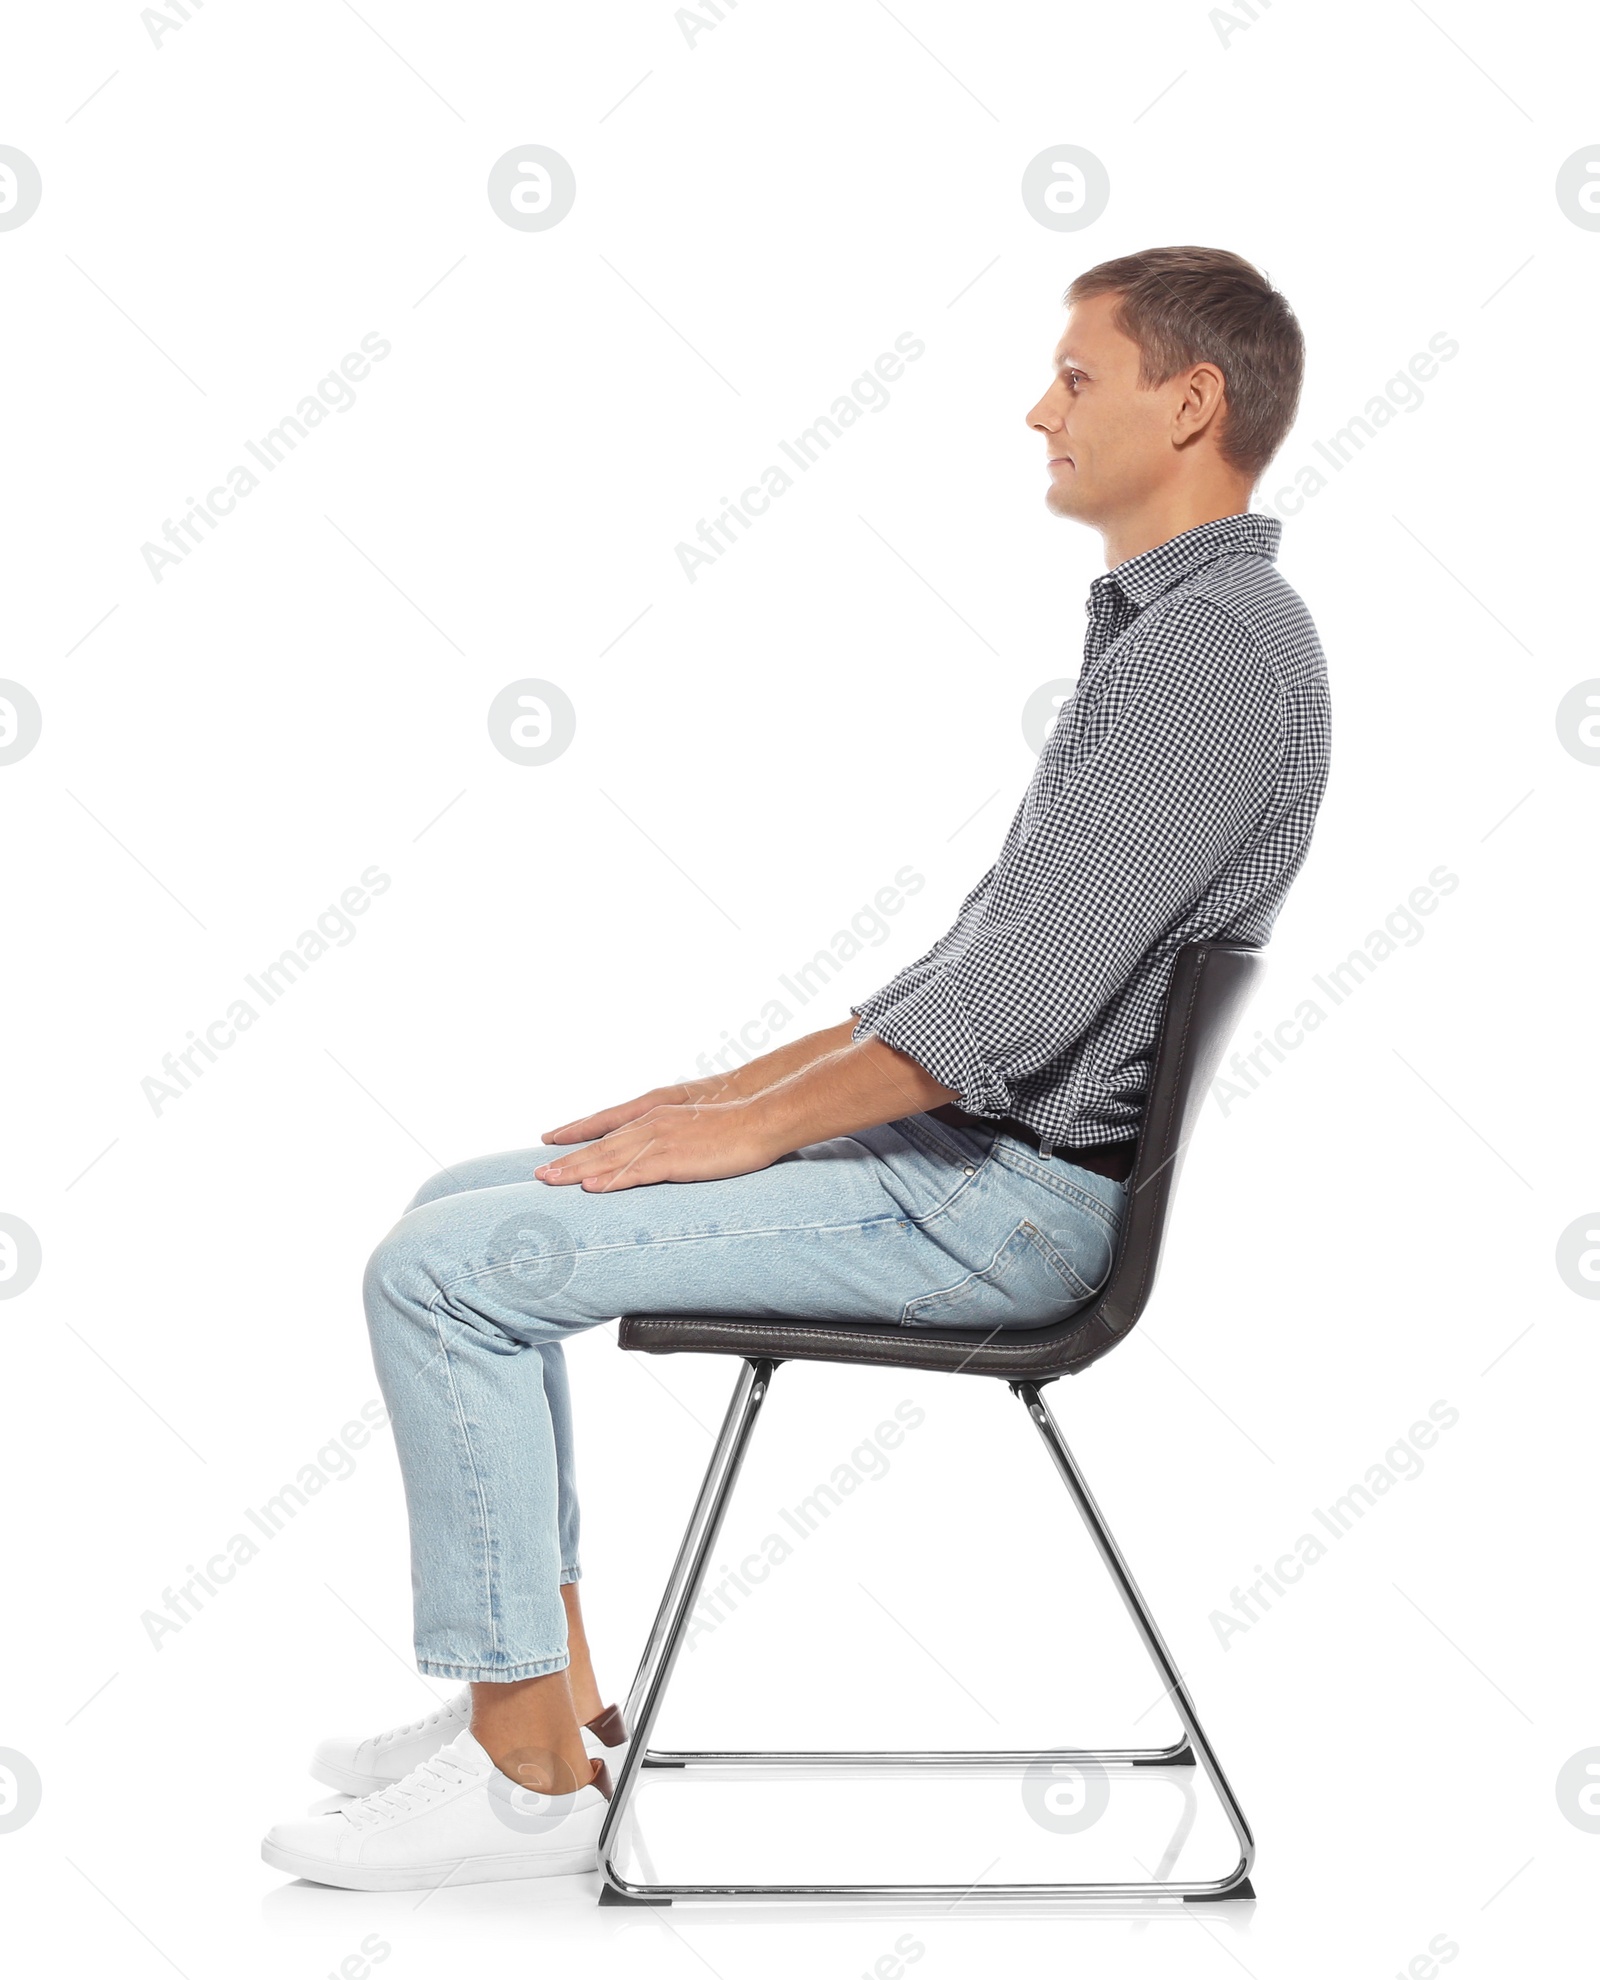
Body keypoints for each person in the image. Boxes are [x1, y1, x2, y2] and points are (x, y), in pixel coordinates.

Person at [262, 244, 1331, 1891]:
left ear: (1191, 405)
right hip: (977, 1170)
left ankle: (520, 1776)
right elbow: (965, 972)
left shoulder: (1219, 654)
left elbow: (1010, 1015)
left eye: (1077, 378)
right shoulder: (1174, 637)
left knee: (446, 1273)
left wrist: (747, 1136)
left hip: (1011, 1217)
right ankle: (541, 1701)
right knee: (461, 1203)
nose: (1036, 410)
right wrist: (711, 1106)